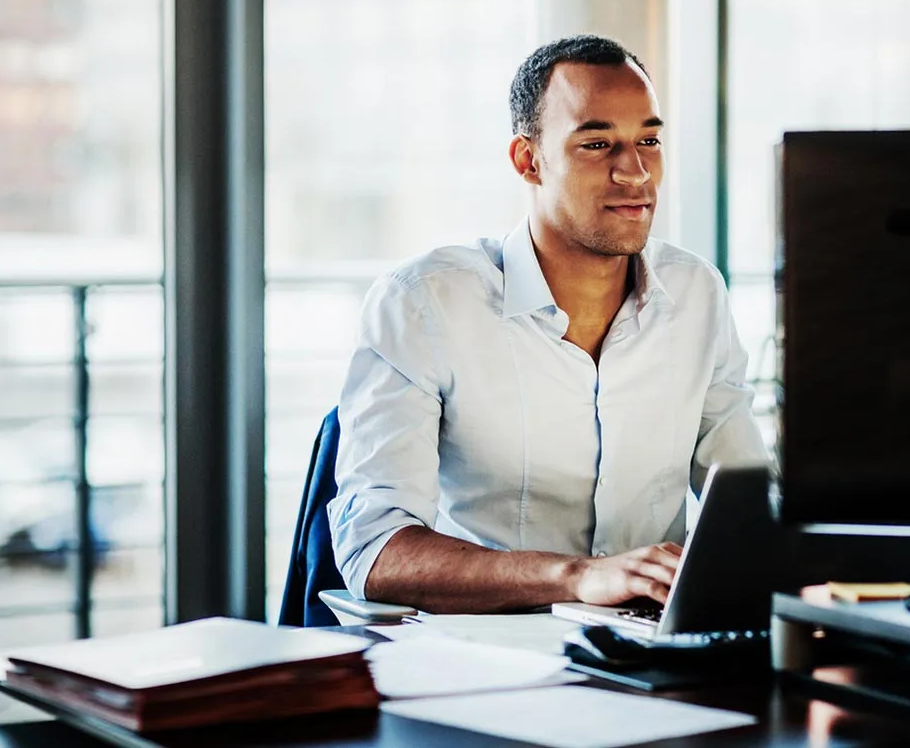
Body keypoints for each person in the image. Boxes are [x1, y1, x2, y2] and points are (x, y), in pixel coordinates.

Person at [329, 34, 768, 614]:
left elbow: (749, 506)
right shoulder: (424, 303)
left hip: (656, 647)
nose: (635, 171)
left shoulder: (695, 293)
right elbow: (375, 552)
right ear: (528, 160)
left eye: (649, 140)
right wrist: (578, 577)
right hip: (492, 654)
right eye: (596, 143)